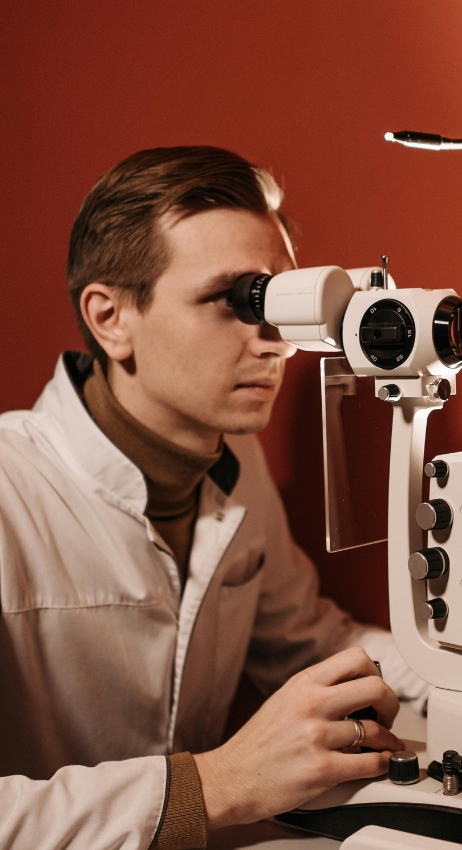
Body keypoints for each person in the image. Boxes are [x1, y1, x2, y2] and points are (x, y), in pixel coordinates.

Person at [0, 146, 429, 850]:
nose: (275, 344)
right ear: (111, 318)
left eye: (277, 301)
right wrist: (215, 783)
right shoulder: (11, 491)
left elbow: (313, 645)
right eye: (231, 301)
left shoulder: (237, 465)